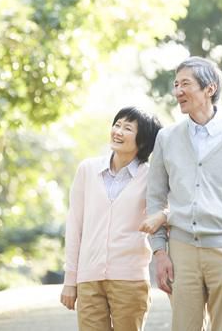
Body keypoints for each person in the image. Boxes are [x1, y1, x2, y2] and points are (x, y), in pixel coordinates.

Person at [145, 56, 222, 331]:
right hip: (181, 252)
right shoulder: (166, 138)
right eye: (176, 84)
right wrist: (159, 252)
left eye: (185, 84)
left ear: (209, 89)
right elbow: (155, 198)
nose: (177, 91)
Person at [60, 106, 162, 331]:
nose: (118, 131)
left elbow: (175, 207)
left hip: (130, 279)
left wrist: (163, 215)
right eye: (117, 124)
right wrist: (71, 279)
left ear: (143, 141)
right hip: (88, 279)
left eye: (128, 128)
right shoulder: (87, 169)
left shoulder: (152, 176)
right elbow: (75, 225)